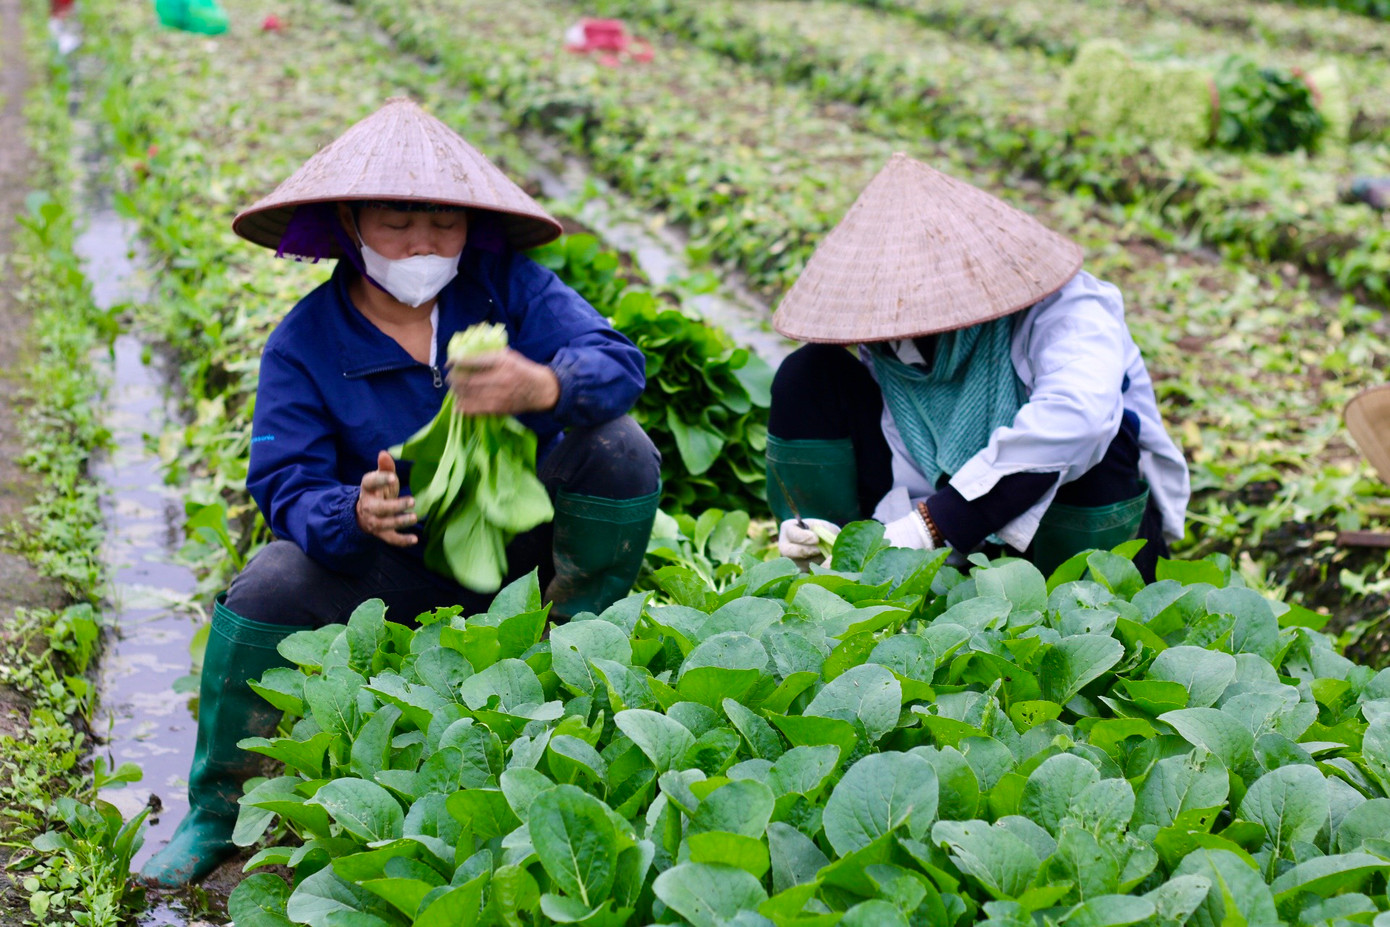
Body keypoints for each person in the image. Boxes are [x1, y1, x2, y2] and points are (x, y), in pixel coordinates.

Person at [139, 98, 660, 886]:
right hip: (395, 564)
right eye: (396, 221)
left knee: (621, 447)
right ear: (349, 222)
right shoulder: (305, 341)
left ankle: (573, 645)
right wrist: (351, 511)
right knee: (267, 586)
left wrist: (546, 383)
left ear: (469, 228)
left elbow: (617, 361)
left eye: (444, 224)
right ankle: (217, 811)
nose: (423, 242)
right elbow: (283, 481)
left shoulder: (508, 290)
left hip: (519, 556)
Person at [768, 154, 1189, 581]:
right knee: (808, 374)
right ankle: (836, 572)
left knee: (1106, 434)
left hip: (1072, 522)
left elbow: (1079, 418)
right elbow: (899, 447)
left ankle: (1090, 602)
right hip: (947, 530)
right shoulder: (891, 342)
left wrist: (932, 526)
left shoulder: (1069, 309)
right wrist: (837, 538)